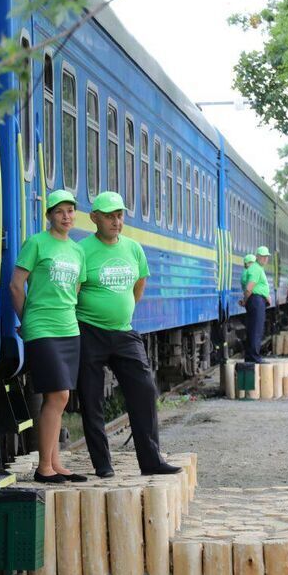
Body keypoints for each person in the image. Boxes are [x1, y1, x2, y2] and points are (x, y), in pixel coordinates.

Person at [76, 191, 181, 479]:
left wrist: (124, 311)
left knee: (144, 390)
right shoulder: (82, 250)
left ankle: (151, 460)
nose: (116, 221)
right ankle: (102, 464)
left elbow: (140, 281)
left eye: (119, 215)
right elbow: (74, 291)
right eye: (109, 216)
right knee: (91, 398)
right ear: (94, 218)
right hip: (89, 331)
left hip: (124, 332)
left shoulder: (133, 248)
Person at [9, 190, 88, 483]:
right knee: (58, 394)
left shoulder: (77, 251)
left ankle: (55, 463)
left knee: (59, 397)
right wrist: (26, 320)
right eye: (59, 212)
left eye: (70, 211)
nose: (66, 217)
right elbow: (16, 285)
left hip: (69, 328)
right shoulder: (36, 243)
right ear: (49, 216)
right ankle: (44, 467)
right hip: (42, 327)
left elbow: (76, 289)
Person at [240, 247, 271, 362]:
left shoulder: (256, 268)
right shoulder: (256, 269)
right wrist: (245, 301)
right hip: (256, 301)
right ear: (257, 257)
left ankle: (250, 356)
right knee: (256, 329)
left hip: (256, 300)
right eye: (263, 256)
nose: (265, 259)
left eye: (266, 256)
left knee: (253, 328)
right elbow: (249, 288)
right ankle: (254, 357)